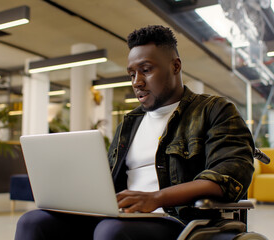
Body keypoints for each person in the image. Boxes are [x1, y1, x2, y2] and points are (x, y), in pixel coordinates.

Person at [14, 25, 254, 240]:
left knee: (111, 231)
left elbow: (229, 176)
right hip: (119, 217)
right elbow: (106, 179)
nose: (137, 82)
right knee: (33, 222)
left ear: (175, 66)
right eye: (132, 74)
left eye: (146, 70)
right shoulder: (129, 123)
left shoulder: (214, 110)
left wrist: (156, 198)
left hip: (176, 221)